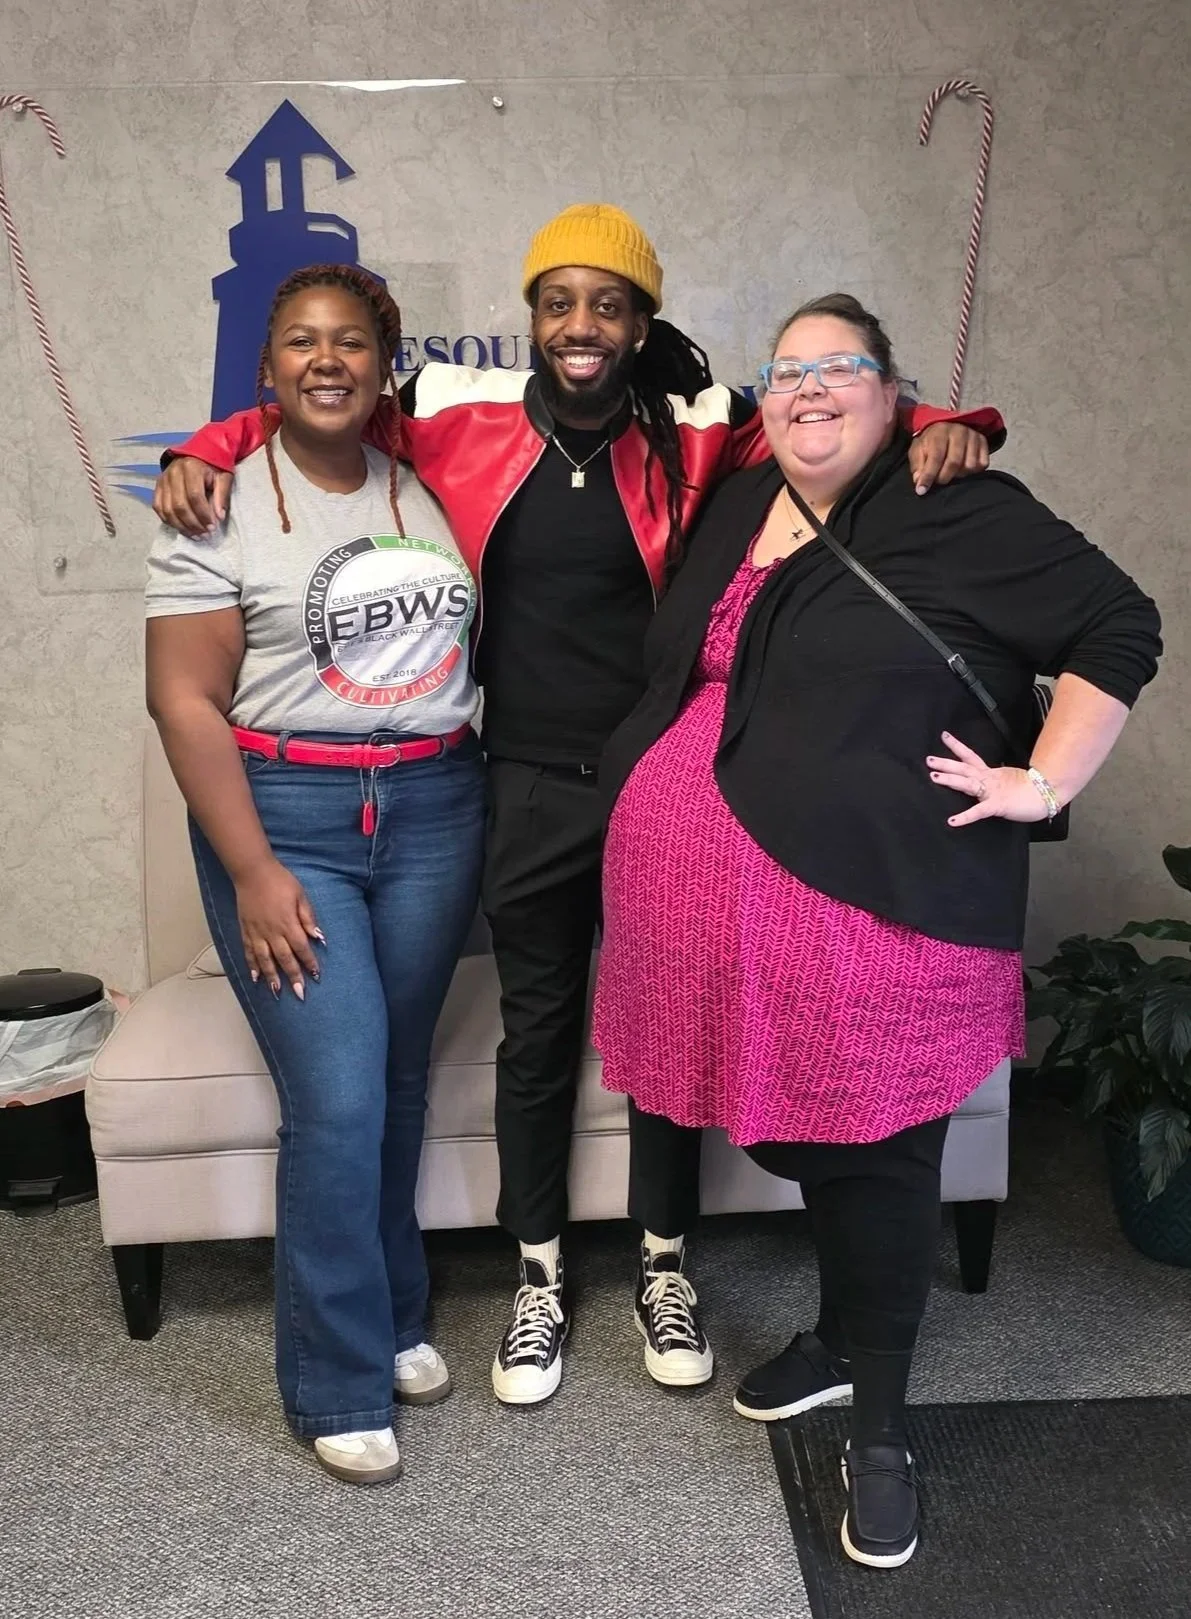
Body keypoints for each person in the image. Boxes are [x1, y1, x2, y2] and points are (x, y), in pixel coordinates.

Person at [153, 206, 1004, 1407]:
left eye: (609, 303)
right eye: (560, 302)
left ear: (642, 321)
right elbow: (324, 402)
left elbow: (836, 417)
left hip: (665, 779)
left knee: (660, 1035)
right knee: (540, 1029)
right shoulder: (461, 412)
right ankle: (539, 1274)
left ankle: (664, 1261)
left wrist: (952, 425)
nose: (581, 325)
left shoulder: (703, 428)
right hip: (524, 777)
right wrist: (207, 439)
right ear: (533, 317)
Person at [593, 292, 1160, 1565]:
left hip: (883, 897)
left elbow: (1118, 626)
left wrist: (1046, 780)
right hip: (714, 913)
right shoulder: (741, 505)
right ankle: (845, 1341)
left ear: (895, 393)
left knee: (879, 1150)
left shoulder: (954, 506)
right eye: (784, 372)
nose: (806, 390)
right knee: (801, 1139)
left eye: (838, 368)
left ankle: (885, 1427)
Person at [145, 264, 486, 1484]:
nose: (327, 359)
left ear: (387, 362)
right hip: (285, 811)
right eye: (301, 342)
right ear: (268, 369)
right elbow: (181, 698)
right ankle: (334, 1379)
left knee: (395, 1076)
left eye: (351, 341)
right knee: (338, 1093)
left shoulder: (441, 477)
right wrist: (249, 865)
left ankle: (393, 1312)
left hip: (440, 802)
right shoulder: (216, 498)